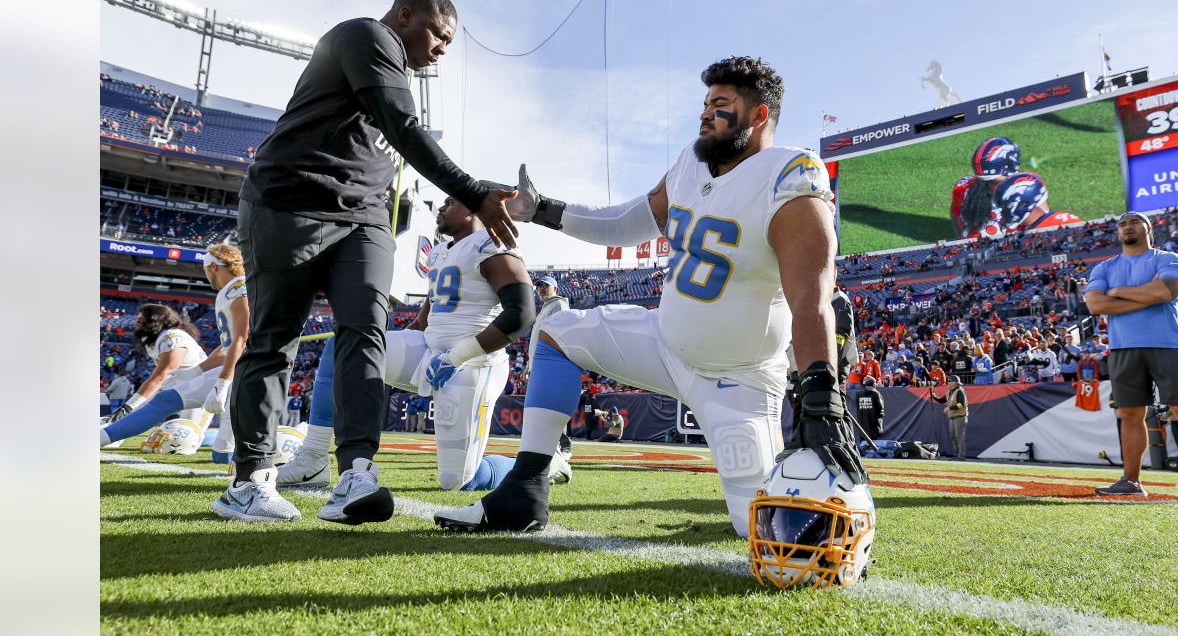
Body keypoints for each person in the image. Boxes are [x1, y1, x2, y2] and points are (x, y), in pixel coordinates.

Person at [434, 56, 865, 537]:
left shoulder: (789, 173)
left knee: (764, 529)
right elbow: (627, 223)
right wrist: (542, 210)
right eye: (704, 103)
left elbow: (811, 297)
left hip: (737, 380)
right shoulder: (690, 163)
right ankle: (525, 487)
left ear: (759, 115)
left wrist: (823, 399)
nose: (705, 113)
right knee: (556, 330)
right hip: (663, 342)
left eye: (720, 104)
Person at [221, 0, 521, 524]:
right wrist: (473, 190)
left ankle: (356, 473)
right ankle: (250, 480)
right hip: (290, 201)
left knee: (365, 334)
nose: (442, 50)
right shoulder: (367, 35)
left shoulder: (395, 73)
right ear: (405, 16)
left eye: (449, 43)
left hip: (362, 218)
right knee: (274, 339)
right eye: (438, 34)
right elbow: (404, 130)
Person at [275, 194, 569, 497]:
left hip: (472, 364)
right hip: (429, 349)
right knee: (344, 343)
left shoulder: (490, 245)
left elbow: (521, 314)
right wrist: (417, 324)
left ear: (472, 209)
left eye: (450, 202)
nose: (441, 207)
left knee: (457, 481)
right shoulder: (439, 252)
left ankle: (544, 464)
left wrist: (457, 356)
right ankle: (313, 456)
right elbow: (437, 300)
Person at [101, 246, 249, 462]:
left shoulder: (241, 288)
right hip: (235, 368)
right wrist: (197, 371)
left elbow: (242, 339)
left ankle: (285, 446)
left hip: (250, 372)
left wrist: (223, 382)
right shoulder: (228, 291)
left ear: (213, 267)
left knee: (223, 457)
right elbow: (228, 345)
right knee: (164, 400)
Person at [1085, 211, 1178, 496]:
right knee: (1128, 414)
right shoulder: (1104, 267)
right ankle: (1131, 482)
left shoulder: (1167, 258)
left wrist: (1118, 292)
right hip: (1123, 347)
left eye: (1134, 222)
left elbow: (1167, 291)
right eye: (1123, 224)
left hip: (1168, 343)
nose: (1128, 226)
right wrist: (1145, 294)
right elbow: (1094, 304)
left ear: (1148, 228)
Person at [528, 275, 574, 458]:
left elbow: (562, 330)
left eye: (546, 286)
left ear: (555, 288)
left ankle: (564, 447)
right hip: (540, 363)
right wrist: (530, 365)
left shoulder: (558, 304)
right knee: (542, 407)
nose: (542, 289)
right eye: (539, 286)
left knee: (552, 405)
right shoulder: (546, 307)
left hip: (551, 362)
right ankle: (549, 447)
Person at [930, 375, 969, 459]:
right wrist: (934, 396)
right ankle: (956, 455)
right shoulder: (949, 391)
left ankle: (961, 456)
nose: (948, 383)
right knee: (953, 437)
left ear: (954, 383)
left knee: (959, 437)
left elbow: (961, 404)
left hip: (960, 417)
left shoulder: (960, 391)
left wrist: (949, 408)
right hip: (952, 417)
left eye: (949, 381)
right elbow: (942, 400)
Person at [854, 376, 884, 452]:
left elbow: (858, 408)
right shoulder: (876, 393)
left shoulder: (858, 394)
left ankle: (864, 453)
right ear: (873, 384)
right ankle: (874, 453)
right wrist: (880, 417)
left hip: (862, 422)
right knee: (874, 441)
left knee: (863, 440)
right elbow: (880, 408)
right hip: (874, 423)